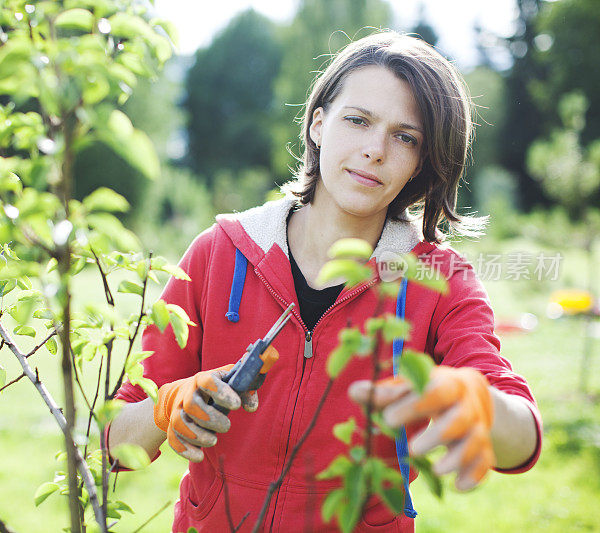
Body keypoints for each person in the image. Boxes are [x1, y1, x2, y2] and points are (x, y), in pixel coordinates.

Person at [107, 30, 541, 532]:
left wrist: (484, 406)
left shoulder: (440, 281)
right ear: (318, 123)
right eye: (358, 120)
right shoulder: (219, 252)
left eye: (406, 136)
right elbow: (114, 439)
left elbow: (523, 440)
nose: (375, 150)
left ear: (423, 159)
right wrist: (164, 408)